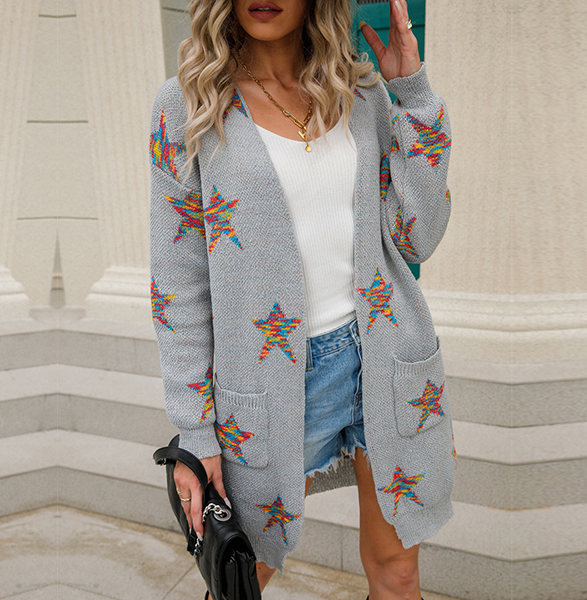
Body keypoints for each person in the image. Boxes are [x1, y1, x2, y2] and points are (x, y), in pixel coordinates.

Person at [149, 1, 456, 598]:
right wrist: (195, 430)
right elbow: (177, 285)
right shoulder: (187, 104)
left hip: (386, 361)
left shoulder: (361, 94)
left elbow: (418, 234)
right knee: (242, 578)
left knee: (398, 573)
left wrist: (413, 96)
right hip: (267, 383)